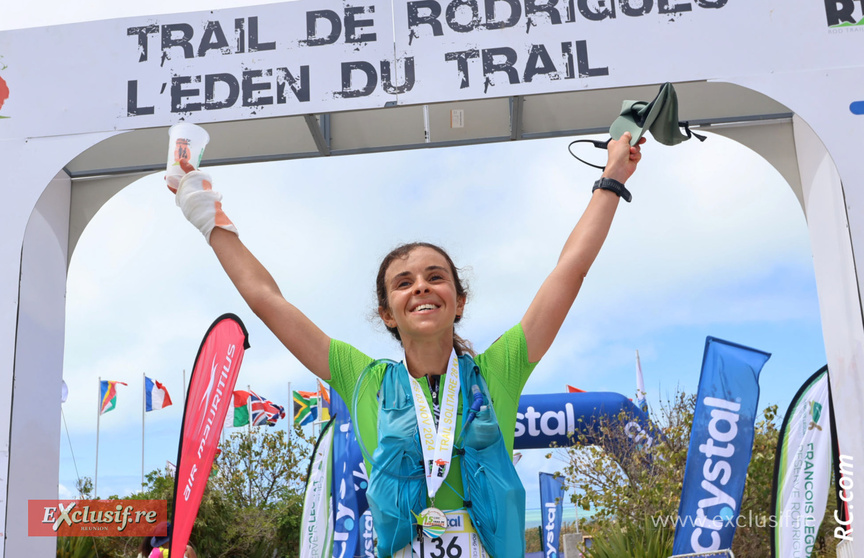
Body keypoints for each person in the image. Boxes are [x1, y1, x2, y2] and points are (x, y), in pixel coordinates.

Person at [170, 132, 644, 557]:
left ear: (458, 302)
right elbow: (267, 300)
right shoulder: (363, 379)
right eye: (404, 283)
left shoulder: (499, 368)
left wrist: (612, 177)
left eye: (435, 278)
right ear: (386, 312)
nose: (420, 287)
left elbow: (569, 270)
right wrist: (206, 215)